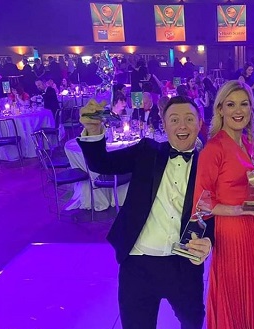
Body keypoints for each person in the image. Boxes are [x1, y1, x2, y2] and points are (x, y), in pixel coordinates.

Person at [78, 96, 214, 329]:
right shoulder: (147, 152)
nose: (182, 125)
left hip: (183, 266)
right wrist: (93, 130)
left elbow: (217, 211)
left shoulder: (211, 163)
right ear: (164, 124)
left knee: (192, 323)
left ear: (199, 122)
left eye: (189, 119)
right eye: (174, 119)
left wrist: (209, 239)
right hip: (138, 264)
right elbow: (102, 163)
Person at [193, 80, 254, 329]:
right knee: (236, 295)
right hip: (233, 233)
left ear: (251, 109)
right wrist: (242, 209)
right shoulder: (214, 148)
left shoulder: (250, 145)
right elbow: (203, 203)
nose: (238, 110)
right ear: (220, 109)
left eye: (244, 104)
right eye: (231, 104)